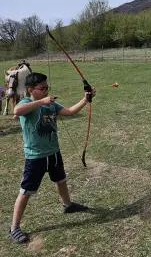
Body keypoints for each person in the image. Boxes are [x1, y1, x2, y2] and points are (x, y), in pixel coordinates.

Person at [9, 72, 95, 244]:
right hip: (35, 157)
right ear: (31, 90)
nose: (46, 90)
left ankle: (68, 205)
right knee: (26, 191)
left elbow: (69, 111)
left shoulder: (51, 104)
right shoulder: (27, 103)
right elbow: (17, 110)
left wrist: (86, 99)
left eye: (47, 87)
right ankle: (14, 228)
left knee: (61, 180)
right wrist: (41, 101)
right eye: (42, 88)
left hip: (54, 152)